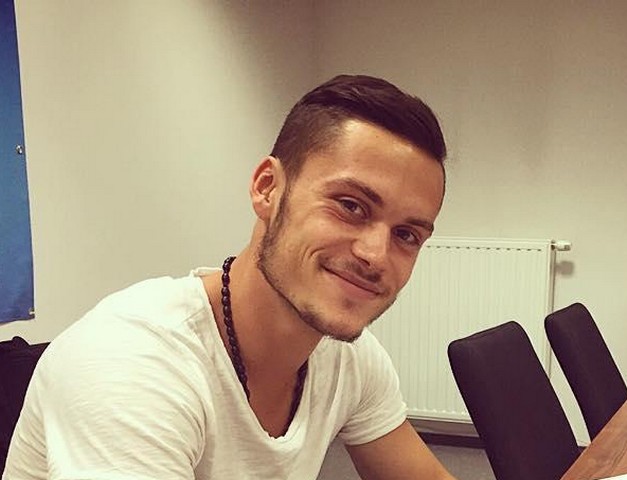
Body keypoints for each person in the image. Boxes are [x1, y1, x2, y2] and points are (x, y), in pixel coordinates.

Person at [4, 74, 455, 480]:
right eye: (350, 206)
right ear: (267, 188)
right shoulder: (130, 361)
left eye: (407, 235)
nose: (375, 255)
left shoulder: (347, 359)